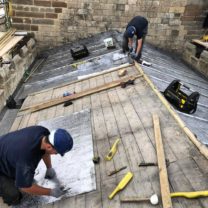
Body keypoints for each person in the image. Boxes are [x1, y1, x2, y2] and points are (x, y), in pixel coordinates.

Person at [0, 126, 73, 206]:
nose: (56, 154)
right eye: (56, 153)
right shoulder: (26, 158)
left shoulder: (43, 132)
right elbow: (25, 187)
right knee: (13, 196)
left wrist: (49, 168)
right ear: (49, 146)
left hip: (6, 150)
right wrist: (50, 192)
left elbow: (45, 151)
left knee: (22, 174)